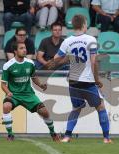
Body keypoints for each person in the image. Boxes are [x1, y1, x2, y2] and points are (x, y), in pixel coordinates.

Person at [48, 14, 112, 143]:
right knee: (100, 106)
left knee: (76, 109)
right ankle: (106, 138)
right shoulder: (91, 39)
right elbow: (94, 62)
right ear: (84, 24)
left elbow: (55, 59)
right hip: (88, 81)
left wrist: (68, 58)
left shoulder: (67, 41)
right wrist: (97, 79)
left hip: (73, 81)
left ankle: (66, 136)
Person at [1, 41, 60, 141]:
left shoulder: (30, 63)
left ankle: (53, 133)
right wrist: (8, 92)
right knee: (6, 106)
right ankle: (10, 135)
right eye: (21, 48)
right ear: (15, 51)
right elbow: (3, 84)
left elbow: (34, 77)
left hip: (28, 94)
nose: (24, 50)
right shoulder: (8, 65)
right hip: (14, 95)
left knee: (44, 112)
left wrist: (41, 85)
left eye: (25, 48)